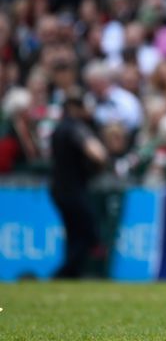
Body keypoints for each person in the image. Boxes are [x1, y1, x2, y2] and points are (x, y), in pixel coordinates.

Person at [50, 88, 108, 278]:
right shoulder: (74, 127)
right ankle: (64, 273)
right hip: (73, 188)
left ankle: (71, 273)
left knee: (74, 232)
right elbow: (97, 153)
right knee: (88, 230)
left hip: (58, 188)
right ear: (75, 108)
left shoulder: (58, 128)